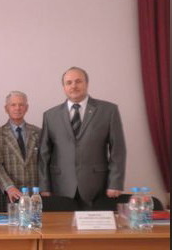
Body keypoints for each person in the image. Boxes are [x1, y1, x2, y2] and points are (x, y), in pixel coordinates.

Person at [38, 66, 126, 209]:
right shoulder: (50, 115)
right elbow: (43, 154)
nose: (73, 86)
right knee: (63, 223)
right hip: (60, 186)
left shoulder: (108, 110)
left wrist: (115, 183)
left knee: (94, 224)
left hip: (97, 186)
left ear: (87, 83)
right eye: (69, 82)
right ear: (64, 87)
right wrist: (44, 186)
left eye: (78, 81)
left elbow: (118, 149)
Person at [0, 91, 41, 210]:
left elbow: (44, 163)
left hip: (34, 194)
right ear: (6, 108)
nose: (17, 108)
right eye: (13, 105)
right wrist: (9, 187)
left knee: (35, 221)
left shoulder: (38, 132)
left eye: (21, 104)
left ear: (26, 108)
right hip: (9, 195)